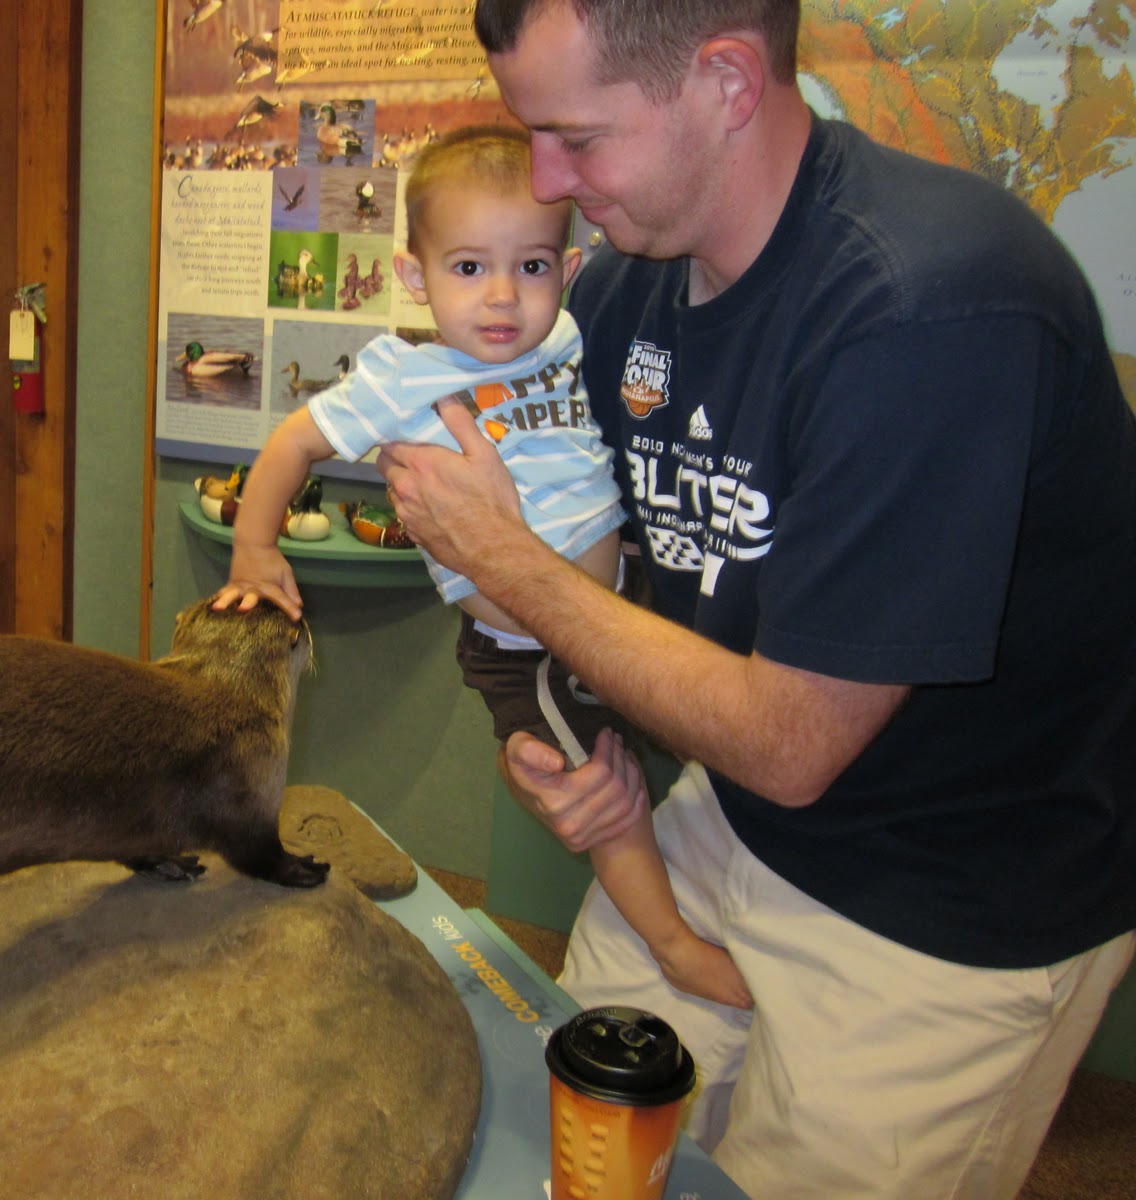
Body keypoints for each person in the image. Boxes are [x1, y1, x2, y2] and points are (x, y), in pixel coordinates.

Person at [373, 1, 1136, 1196]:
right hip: (723, 811)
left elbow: (792, 744)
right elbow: (599, 597)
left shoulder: (929, 304)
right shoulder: (623, 293)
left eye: (577, 137)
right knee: (587, 1141)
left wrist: (506, 561)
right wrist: (565, 755)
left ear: (726, 81)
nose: (546, 181)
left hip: (949, 887)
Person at [214, 126, 751, 1009]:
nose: (503, 295)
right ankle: (673, 945)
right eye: (468, 268)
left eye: (531, 266)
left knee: (711, 716)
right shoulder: (405, 378)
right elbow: (293, 442)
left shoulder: (564, 337)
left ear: (566, 270)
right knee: (598, 790)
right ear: (414, 276)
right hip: (529, 650)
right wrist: (255, 546)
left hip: (625, 600)